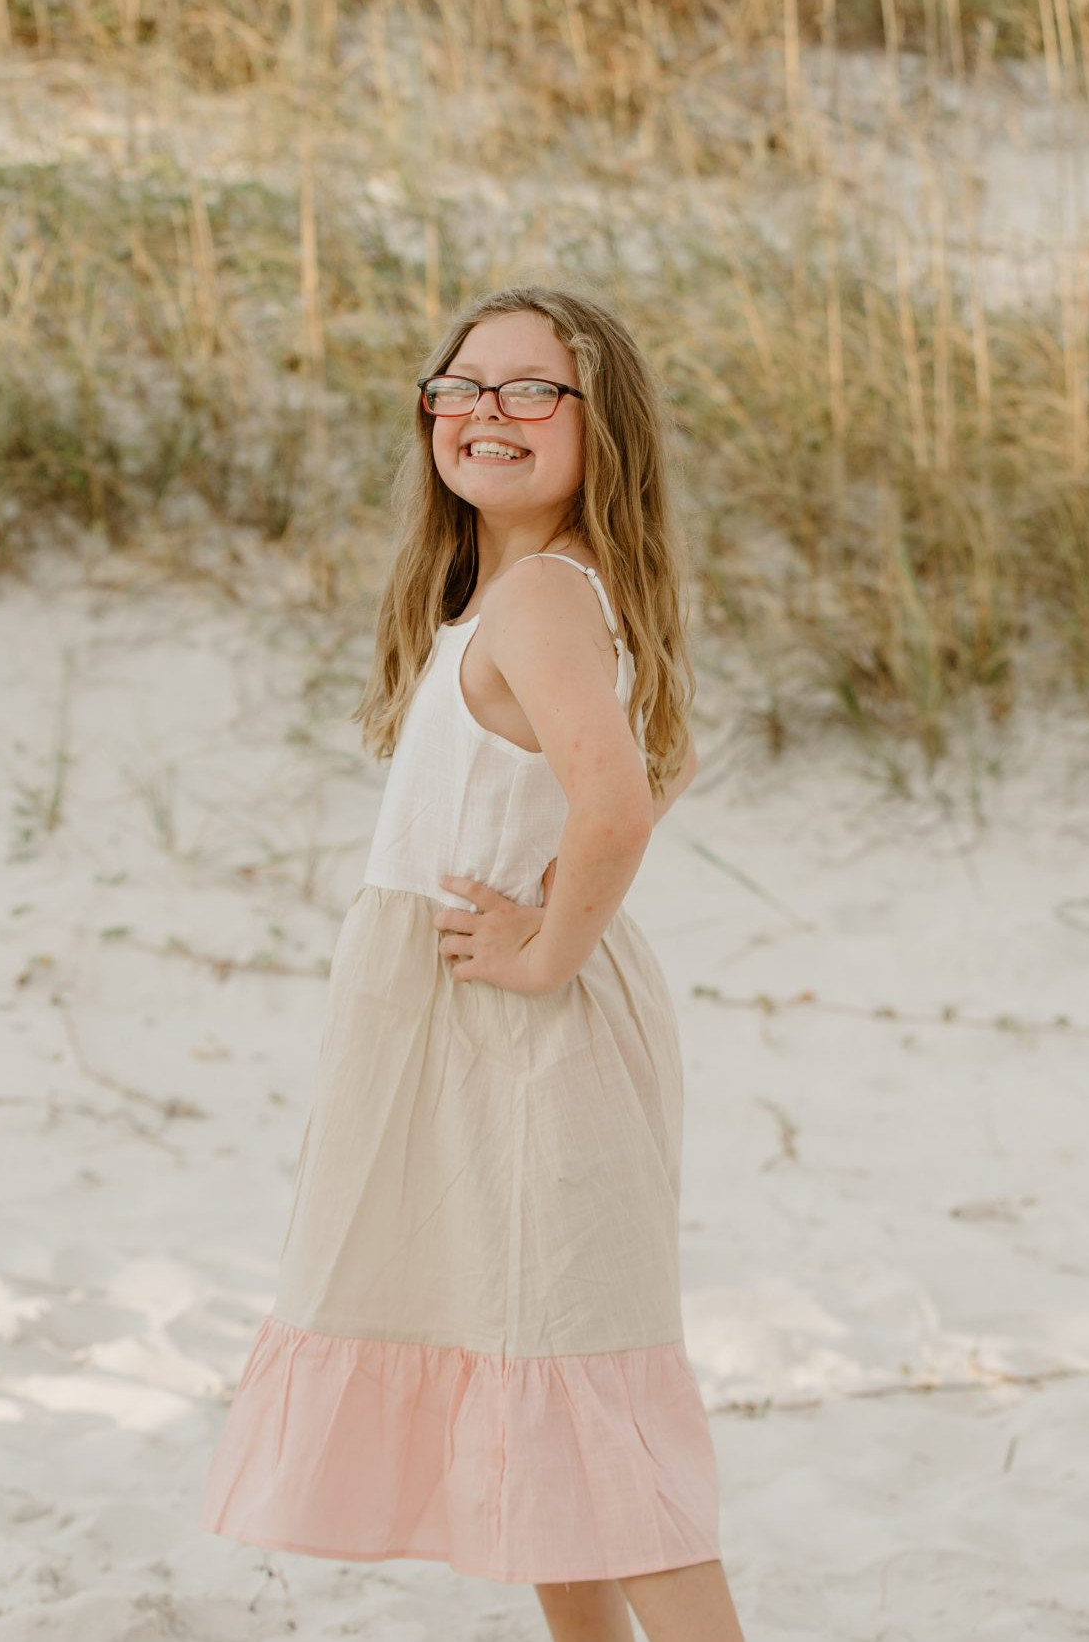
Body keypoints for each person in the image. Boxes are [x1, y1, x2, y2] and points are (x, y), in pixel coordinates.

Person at [199, 283, 748, 1642]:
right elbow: (665, 754)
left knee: (597, 1424)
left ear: (596, 426)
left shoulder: (543, 602)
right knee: (540, 1408)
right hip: (474, 1041)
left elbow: (619, 798)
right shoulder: (519, 594)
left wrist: (552, 940)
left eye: (527, 391)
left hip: (526, 1042)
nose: (483, 413)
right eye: (460, 387)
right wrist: (550, 887)